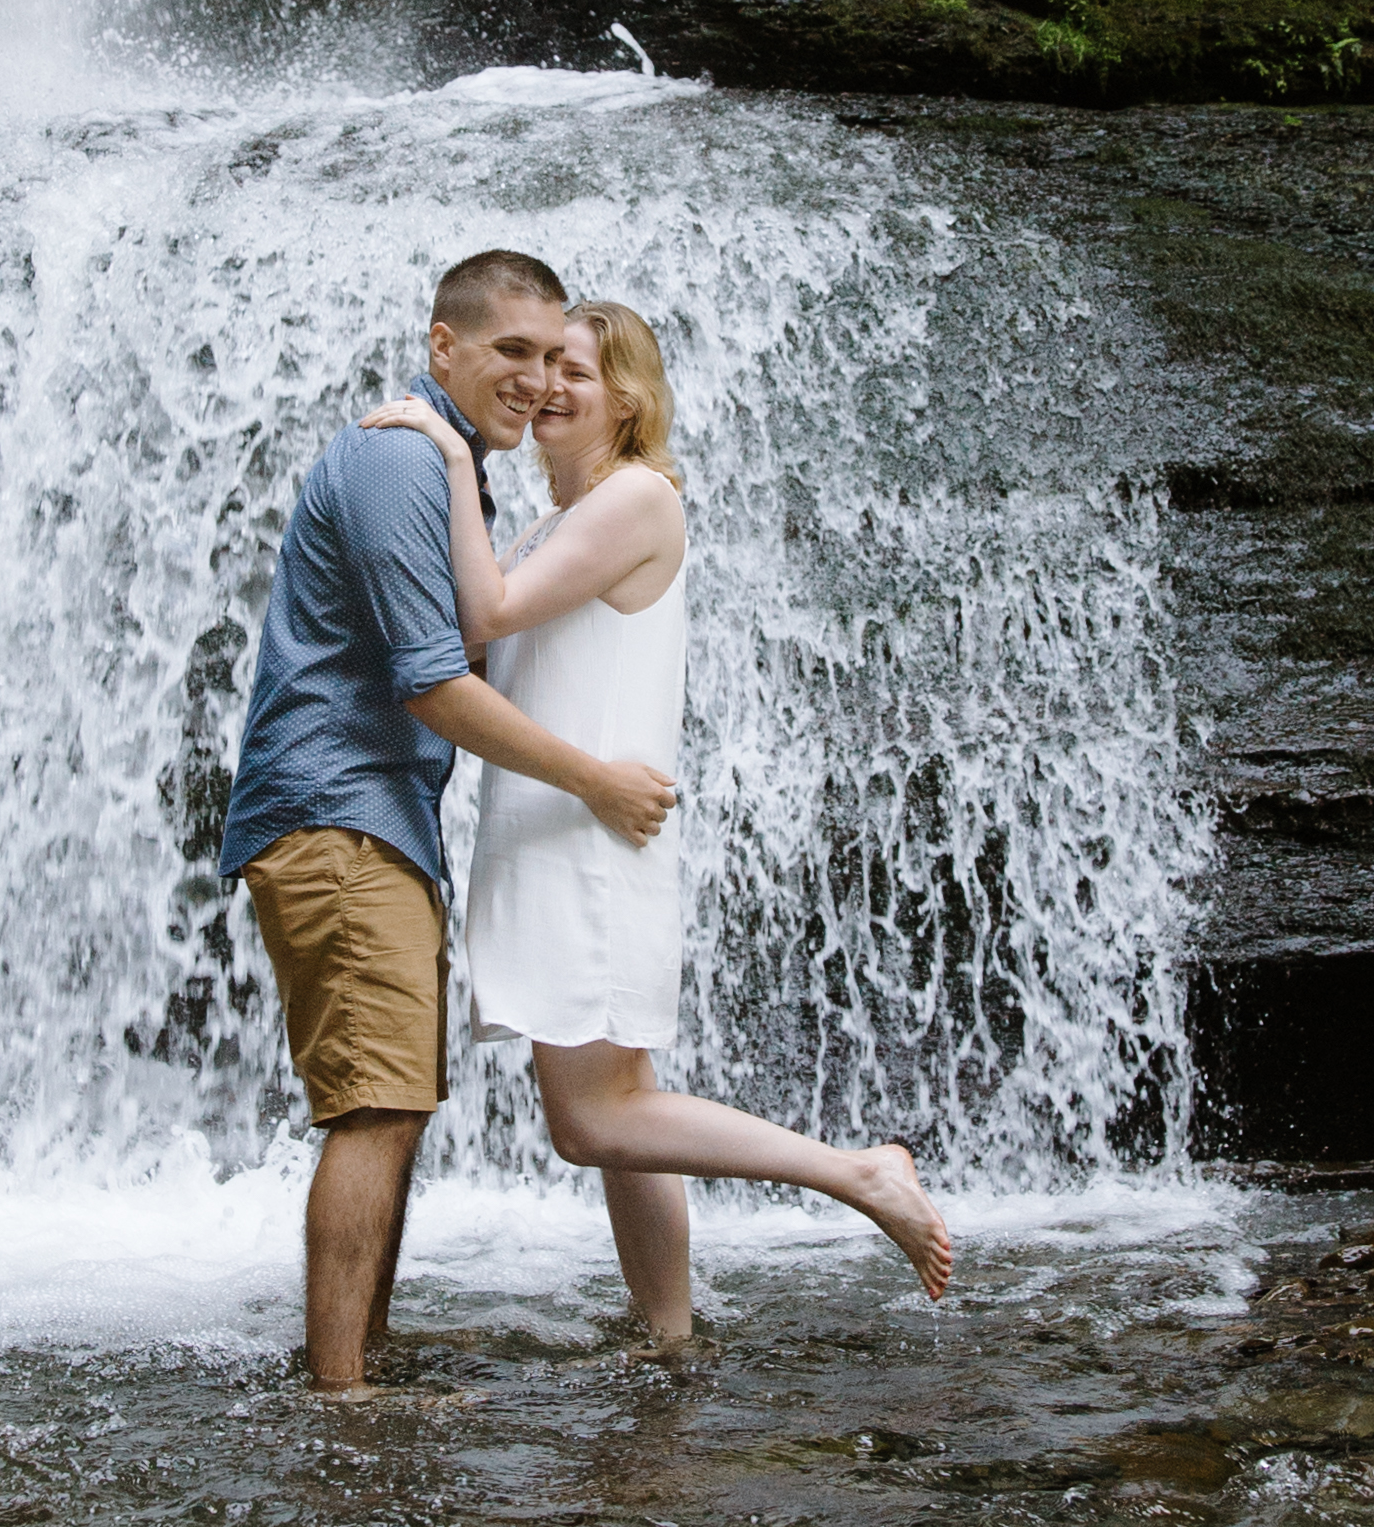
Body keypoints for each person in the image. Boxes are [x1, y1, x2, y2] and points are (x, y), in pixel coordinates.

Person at [360, 299, 954, 1337]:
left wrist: (453, 456)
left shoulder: (637, 499)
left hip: (587, 840)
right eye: (540, 365)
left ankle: (857, 1172)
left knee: (595, 1120)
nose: (549, 385)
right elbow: (489, 643)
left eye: (575, 371)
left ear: (628, 399)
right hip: (561, 829)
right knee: (624, 1106)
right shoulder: (564, 519)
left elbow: (485, 613)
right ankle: (668, 1329)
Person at [219, 248, 679, 1392]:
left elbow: (488, 620)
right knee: (378, 1103)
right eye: (511, 353)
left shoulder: (453, 473)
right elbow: (435, 681)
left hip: (378, 821)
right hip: (338, 812)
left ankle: (358, 1354)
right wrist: (594, 779)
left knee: (396, 1101)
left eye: (549, 357)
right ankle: (343, 1395)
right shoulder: (399, 463)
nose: (531, 378)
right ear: (444, 347)